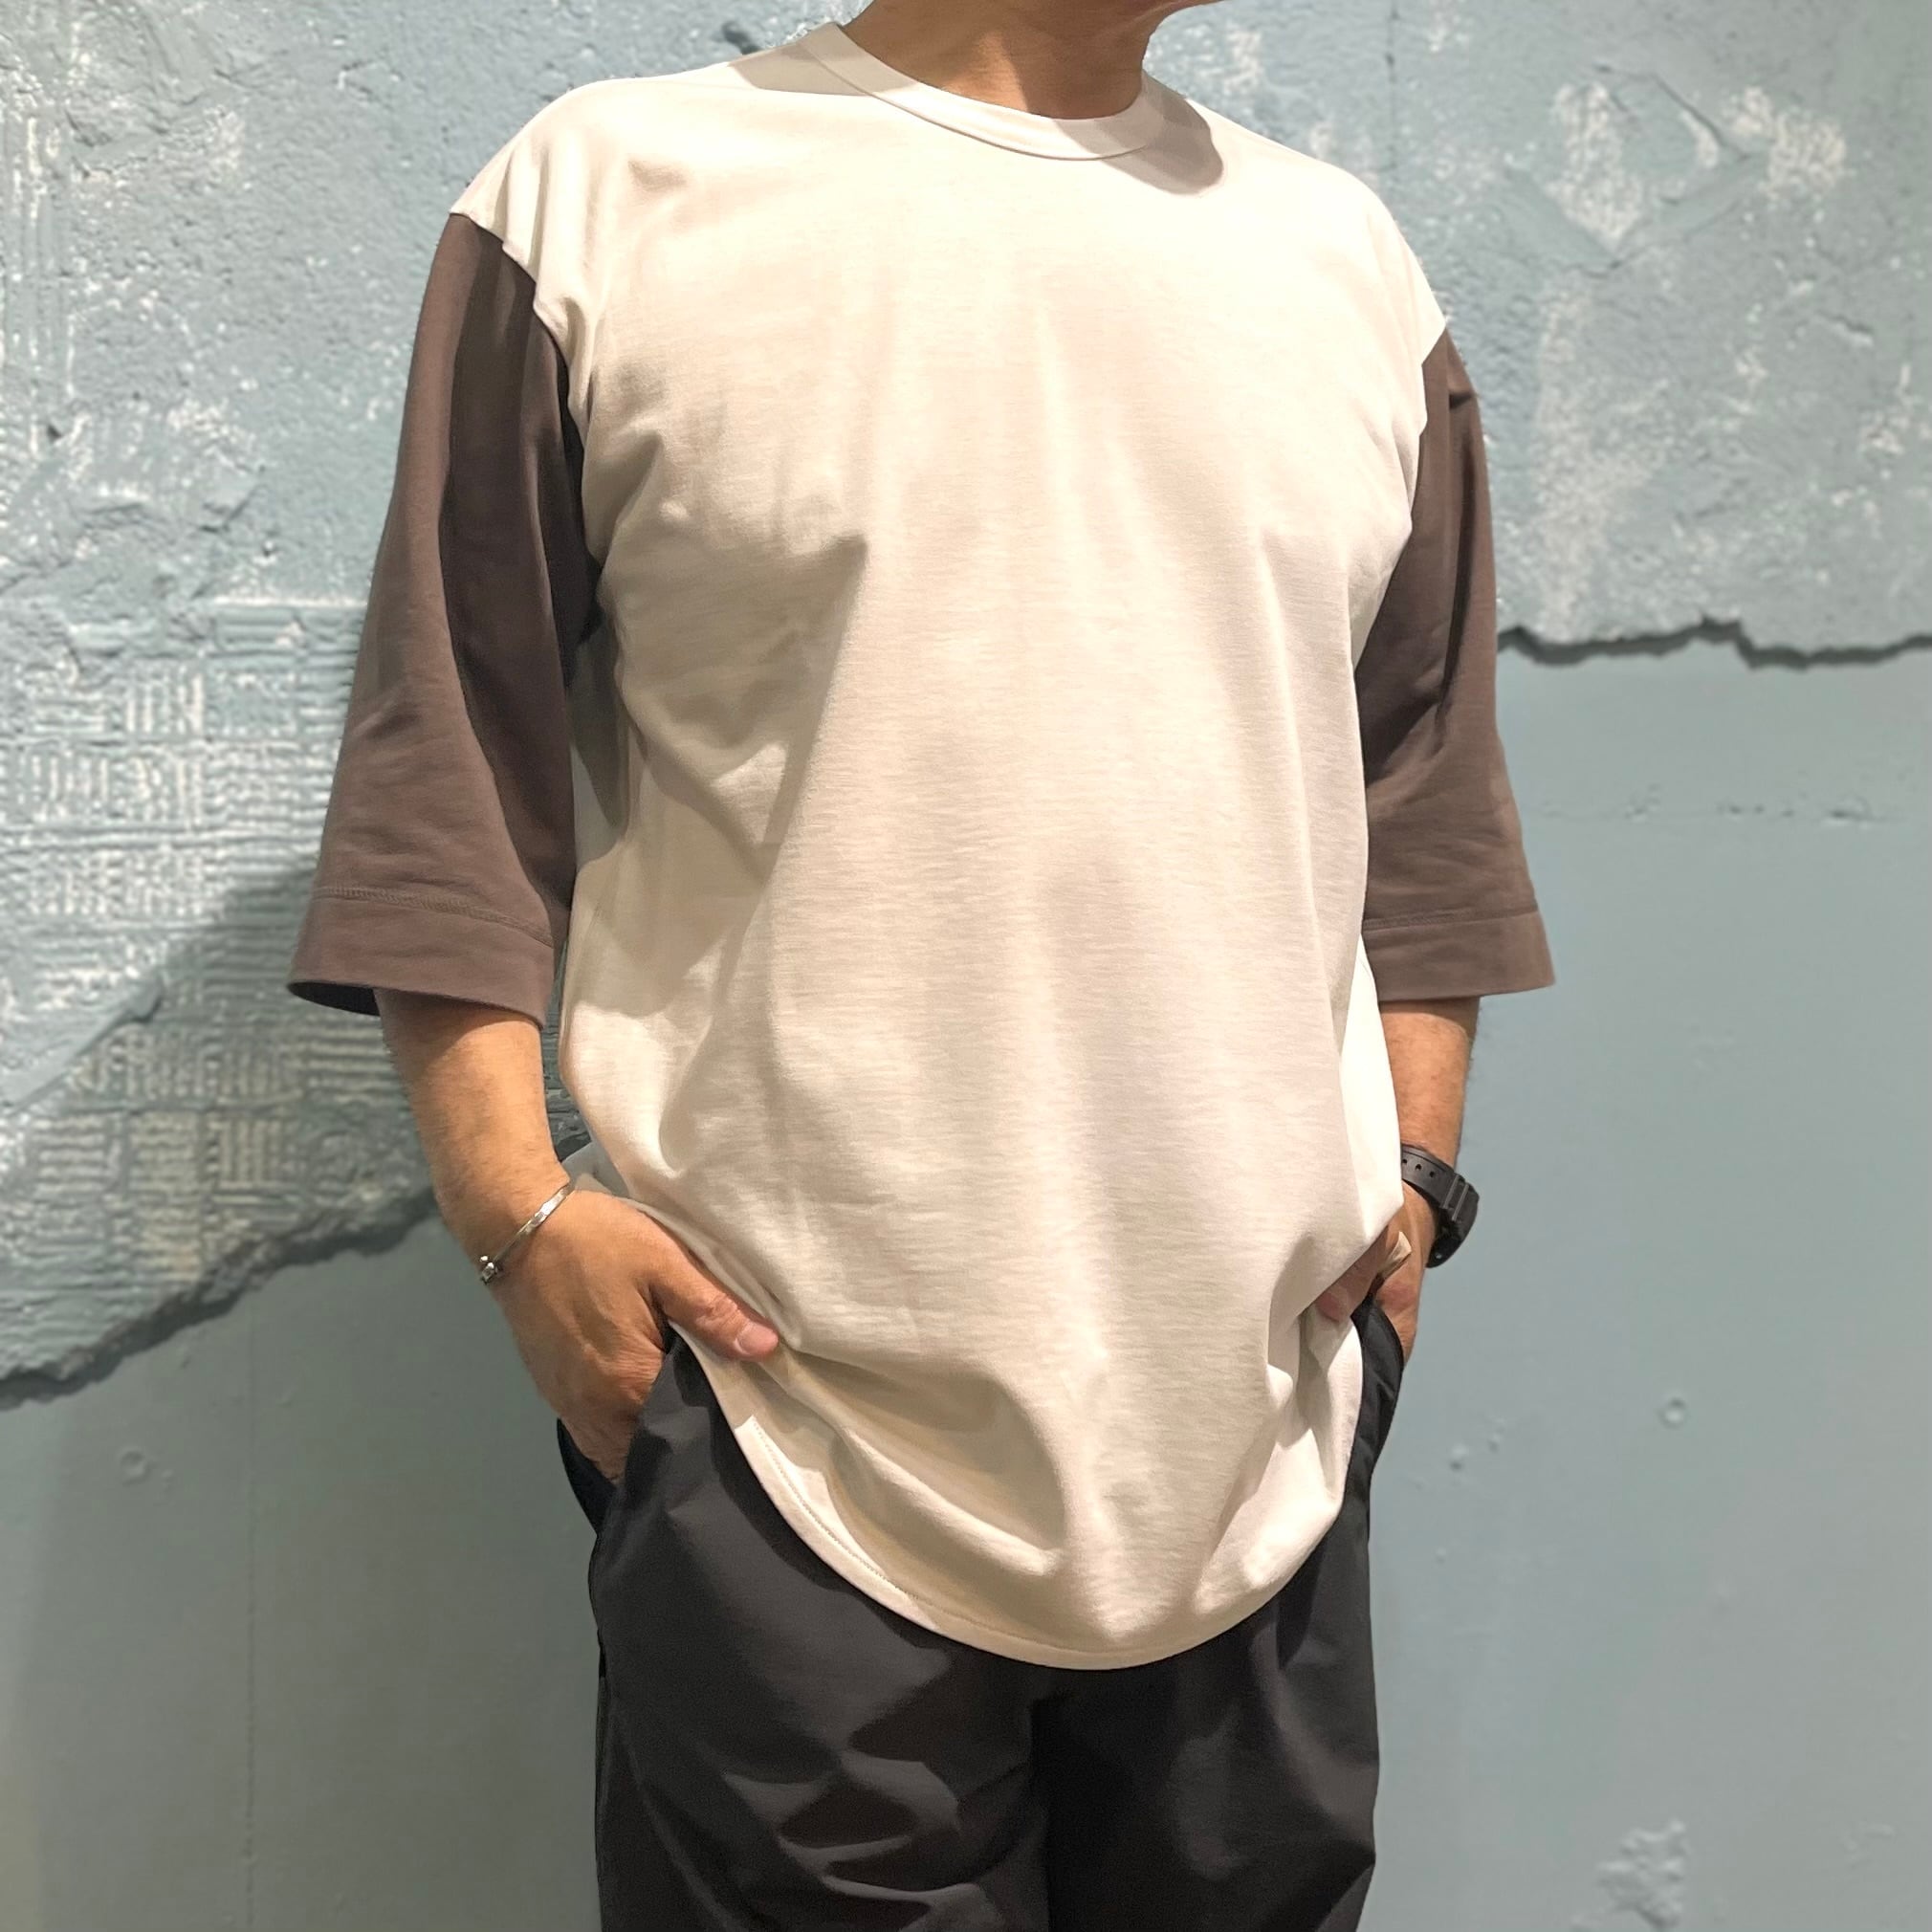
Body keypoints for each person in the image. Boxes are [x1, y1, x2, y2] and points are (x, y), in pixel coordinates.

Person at [285, 2, 1554, 1924]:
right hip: (780, 1428)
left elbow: (1424, 794)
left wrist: (1415, 1188)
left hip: (1263, 1426)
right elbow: (450, 757)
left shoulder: (1347, 268)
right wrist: (516, 1219)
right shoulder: (607, 198)